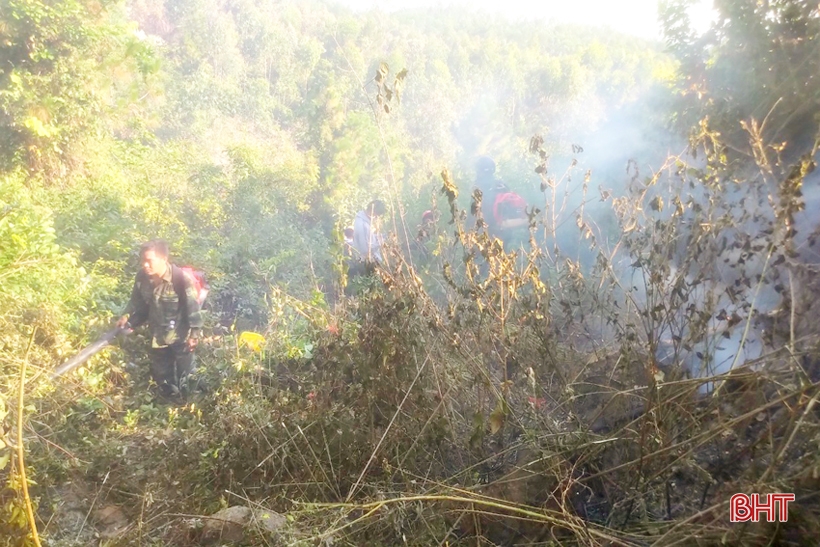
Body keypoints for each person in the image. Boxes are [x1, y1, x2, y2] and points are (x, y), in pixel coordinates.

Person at [116, 240, 204, 398]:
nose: (145, 265)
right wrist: (126, 315)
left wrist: (194, 335)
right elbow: (135, 301)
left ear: (164, 259)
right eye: (143, 260)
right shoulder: (142, 277)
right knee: (163, 379)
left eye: (149, 261)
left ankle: (191, 406)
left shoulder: (181, 279)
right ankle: (169, 405)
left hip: (180, 336)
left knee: (189, 377)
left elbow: (193, 309)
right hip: (157, 337)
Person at [473, 156, 528, 245]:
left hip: (487, 234)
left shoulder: (478, 187)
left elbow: (474, 214)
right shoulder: (502, 184)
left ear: (480, 171)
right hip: (504, 235)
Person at [353, 199, 387, 264]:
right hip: (368, 263)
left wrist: (379, 237)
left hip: (368, 261)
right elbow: (365, 250)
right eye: (377, 215)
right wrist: (381, 241)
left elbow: (368, 238)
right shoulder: (362, 225)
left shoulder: (362, 221)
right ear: (373, 213)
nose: (377, 218)